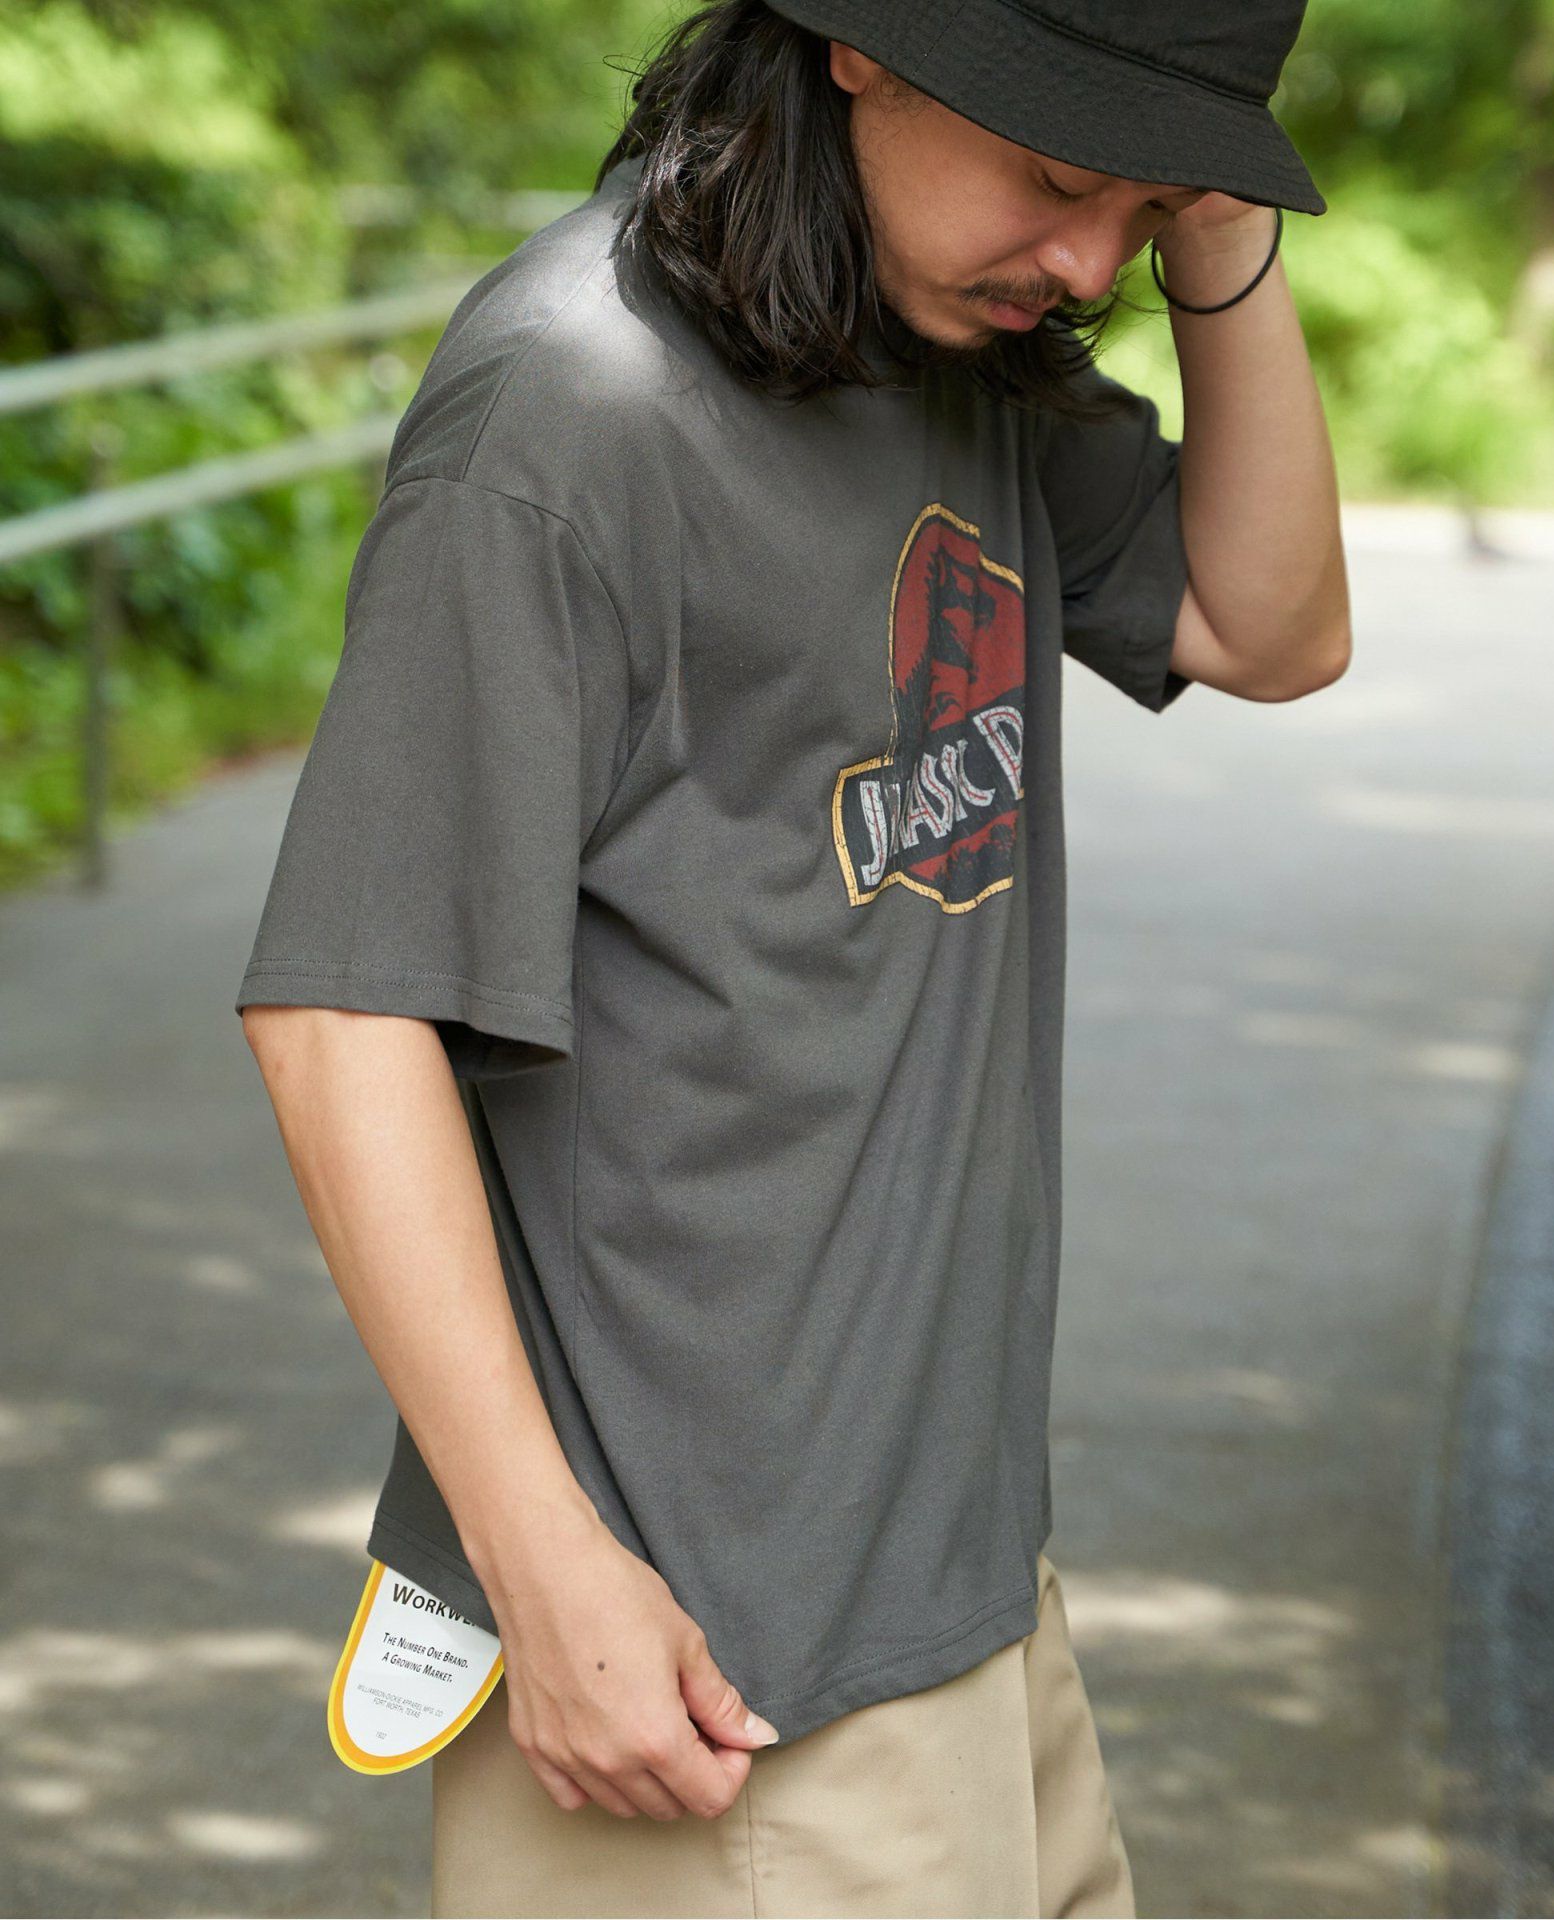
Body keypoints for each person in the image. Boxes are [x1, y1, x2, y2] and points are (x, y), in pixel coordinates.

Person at [235, 1, 1349, 1913]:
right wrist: (543, 1567)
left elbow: (1274, 626)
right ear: (863, 45)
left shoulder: (959, 348)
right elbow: (345, 1011)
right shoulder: (572, 408)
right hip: (711, 1665)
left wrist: (1213, 210)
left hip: (968, 1596)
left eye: (1146, 207)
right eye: (1060, 172)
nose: (1091, 261)